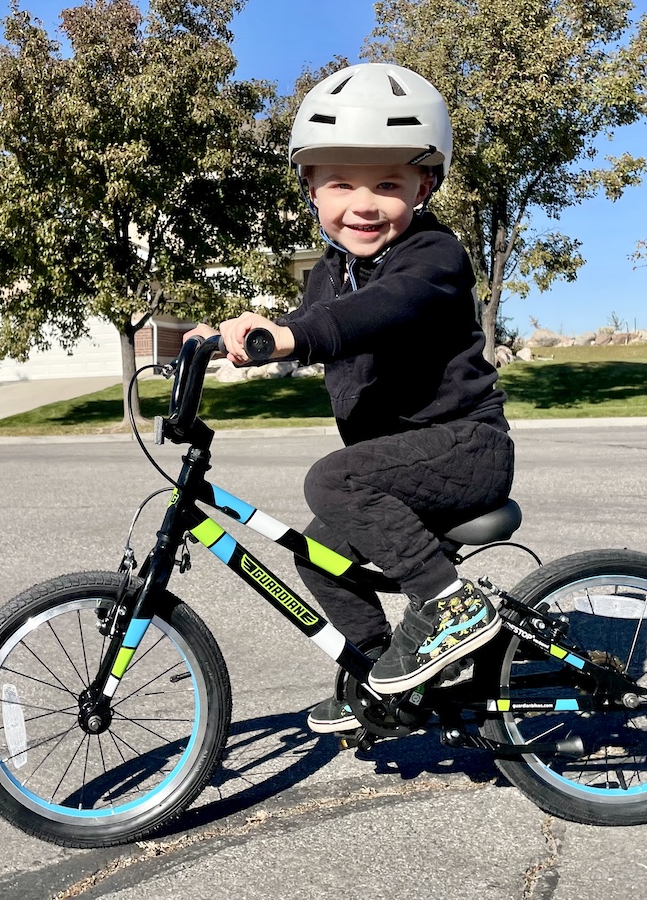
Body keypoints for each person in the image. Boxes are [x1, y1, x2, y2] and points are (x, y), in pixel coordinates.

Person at [184, 63, 514, 733]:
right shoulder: (330, 277)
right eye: (340, 182)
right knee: (319, 553)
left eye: (388, 183)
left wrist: (290, 336)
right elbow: (311, 325)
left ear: (425, 185)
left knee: (330, 480)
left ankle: (452, 604)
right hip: (403, 461)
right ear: (310, 187)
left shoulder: (434, 258)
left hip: (468, 449)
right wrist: (220, 340)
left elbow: (375, 315)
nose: (363, 203)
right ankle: (377, 681)